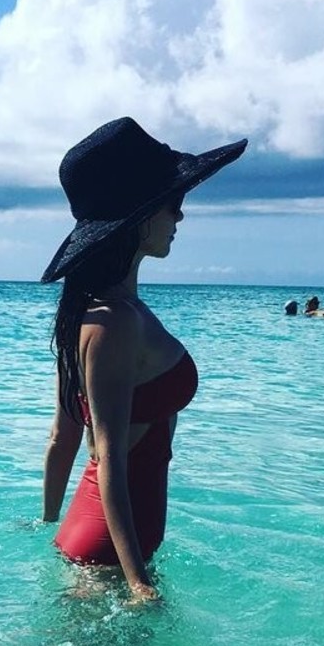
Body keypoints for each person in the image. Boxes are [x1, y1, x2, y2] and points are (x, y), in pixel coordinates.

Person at [40, 118, 248, 601]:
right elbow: (109, 455)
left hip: (102, 538)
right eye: (173, 203)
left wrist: (46, 522)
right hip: (109, 551)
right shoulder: (114, 322)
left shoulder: (95, 313)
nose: (181, 217)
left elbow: (62, 438)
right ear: (141, 216)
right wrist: (139, 584)